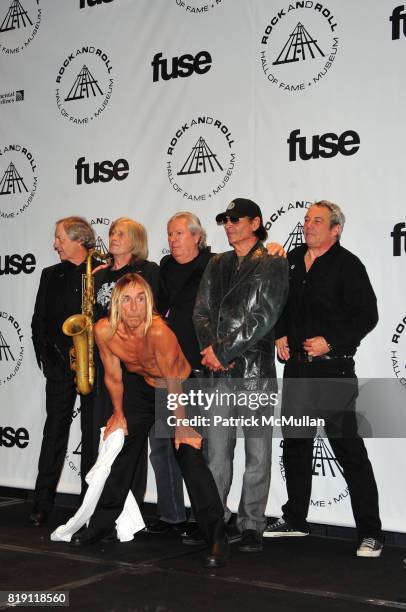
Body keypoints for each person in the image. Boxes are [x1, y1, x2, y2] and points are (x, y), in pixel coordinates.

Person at [71, 273, 228, 568]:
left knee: (189, 456)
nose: (134, 307)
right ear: (117, 302)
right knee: (122, 450)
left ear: (149, 302)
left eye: (140, 299)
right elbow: (114, 375)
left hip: (178, 388)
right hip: (142, 388)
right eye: (127, 299)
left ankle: (217, 536)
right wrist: (118, 414)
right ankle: (101, 525)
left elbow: (172, 380)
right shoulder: (104, 330)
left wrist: (181, 426)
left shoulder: (158, 332)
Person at [265, 200, 384, 558]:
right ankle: (296, 520)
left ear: (336, 229)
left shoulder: (348, 265)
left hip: (333, 370)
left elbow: (368, 315)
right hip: (298, 369)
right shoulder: (292, 259)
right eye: (306, 219)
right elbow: (280, 302)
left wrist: (330, 341)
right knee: (296, 445)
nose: (309, 225)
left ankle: (371, 532)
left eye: (317, 220)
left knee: (348, 449)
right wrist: (280, 334)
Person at [193, 198, 289, 553]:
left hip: (254, 373)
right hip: (219, 373)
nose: (229, 225)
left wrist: (222, 351)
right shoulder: (217, 263)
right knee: (215, 454)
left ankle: (252, 524)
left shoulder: (273, 261)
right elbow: (200, 312)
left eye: (235, 219)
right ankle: (215, 520)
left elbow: (264, 315)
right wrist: (212, 352)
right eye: (225, 220)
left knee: (257, 454)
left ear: (255, 222)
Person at [146, 211, 213, 535]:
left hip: (198, 367)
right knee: (161, 444)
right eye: (170, 234)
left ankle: (207, 519)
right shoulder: (164, 268)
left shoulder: (214, 265)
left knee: (195, 448)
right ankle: (171, 515)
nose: (172, 240)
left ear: (197, 237)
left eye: (179, 234)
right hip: (165, 366)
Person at [30, 216, 96, 526]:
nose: (55, 244)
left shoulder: (99, 271)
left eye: (60, 238)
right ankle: (42, 502)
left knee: (91, 436)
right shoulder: (49, 275)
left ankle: (89, 503)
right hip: (59, 367)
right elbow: (38, 322)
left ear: (79, 240)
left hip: (92, 367)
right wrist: (50, 360)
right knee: (53, 433)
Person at [92, 217, 160, 506]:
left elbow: (148, 315)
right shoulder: (99, 274)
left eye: (121, 233)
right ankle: (99, 500)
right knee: (105, 431)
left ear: (136, 240)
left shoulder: (147, 271)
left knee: (130, 438)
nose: (113, 237)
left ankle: (131, 506)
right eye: (111, 232)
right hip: (103, 363)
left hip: (133, 367)